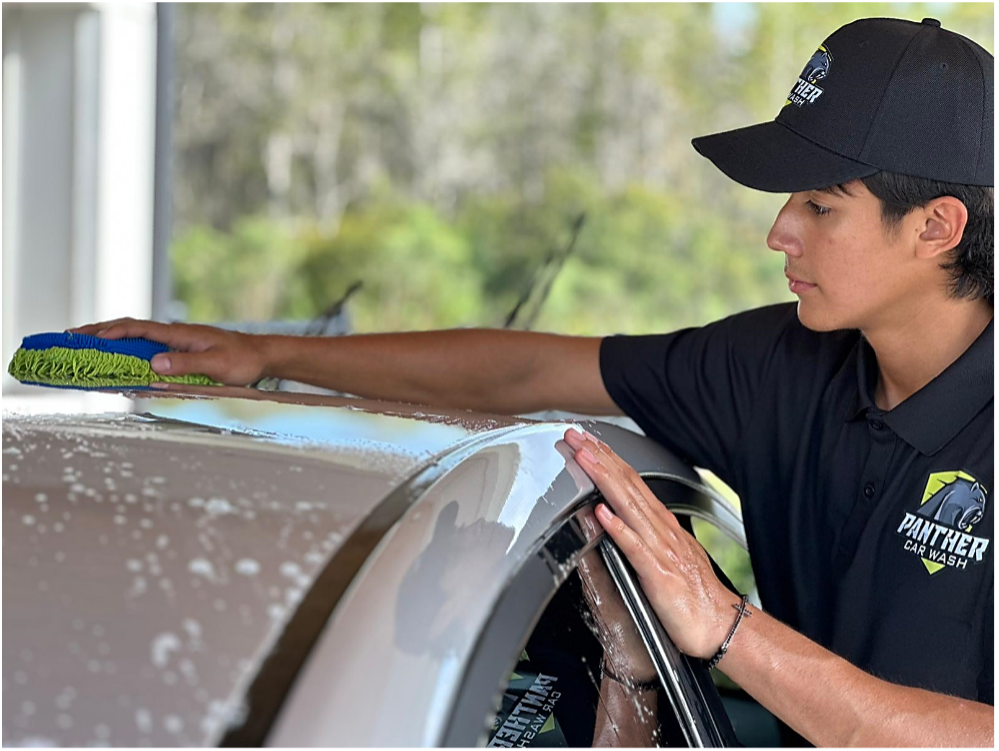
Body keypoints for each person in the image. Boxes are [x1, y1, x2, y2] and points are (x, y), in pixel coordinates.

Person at [73, 16, 994, 748]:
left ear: (936, 227)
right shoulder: (781, 366)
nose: (777, 232)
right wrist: (263, 356)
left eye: (820, 206)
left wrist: (726, 627)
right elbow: (526, 367)